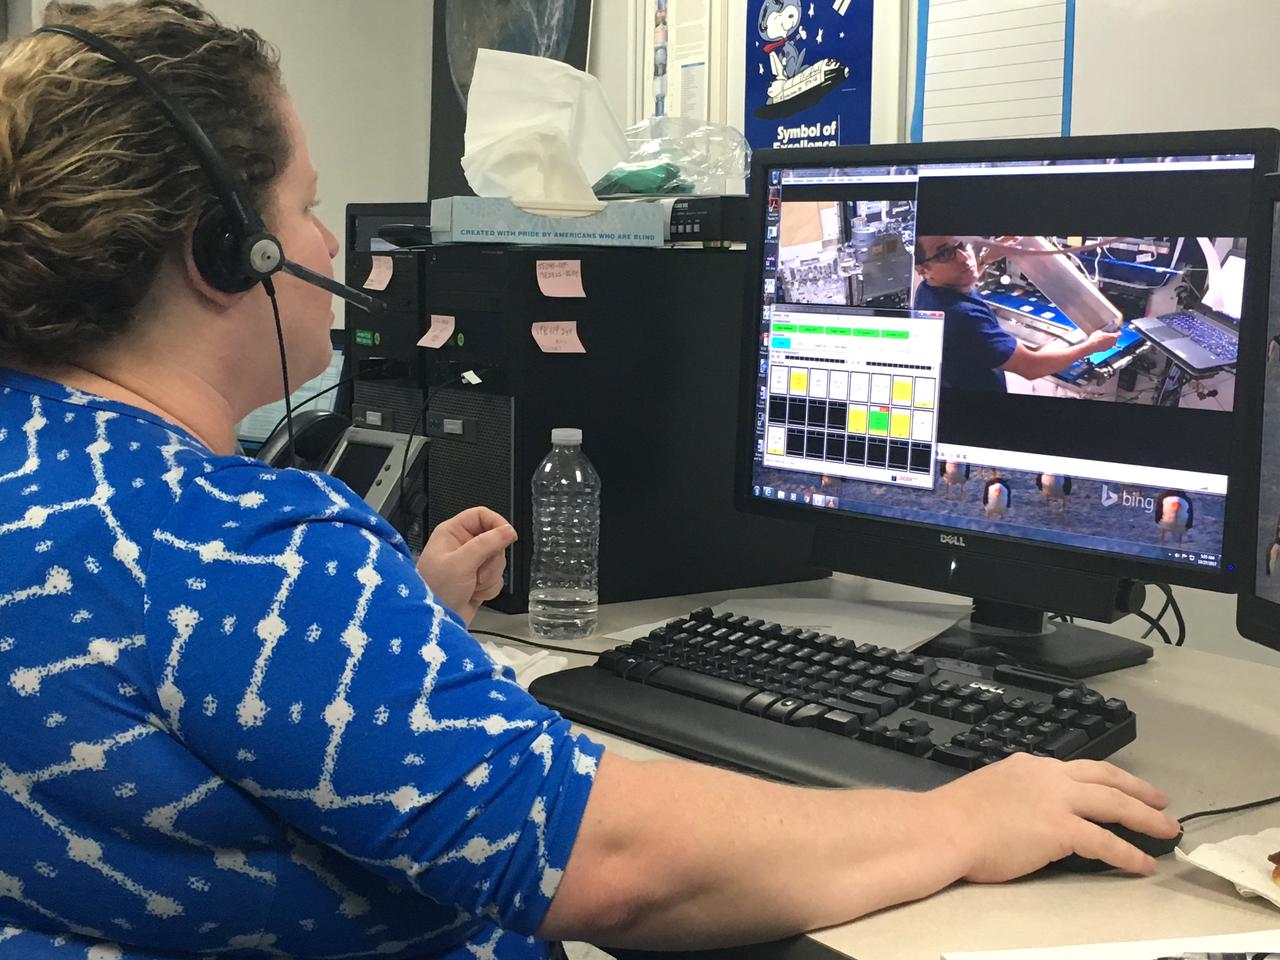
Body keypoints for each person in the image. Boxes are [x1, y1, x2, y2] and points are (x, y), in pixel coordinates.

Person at [0, 4, 1180, 958]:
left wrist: (384, 624)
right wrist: (962, 816)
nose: (322, 249)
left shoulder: (39, 464)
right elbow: (612, 871)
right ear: (223, 254)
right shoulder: (242, 549)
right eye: (305, 207)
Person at [914, 236, 1121, 392]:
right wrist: (1092, 346)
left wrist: (985, 259)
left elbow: (962, 277)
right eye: (944, 254)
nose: (963, 257)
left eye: (961, 245)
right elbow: (1031, 367)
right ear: (923, 269)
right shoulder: (963, 317)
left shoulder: (927, 290)